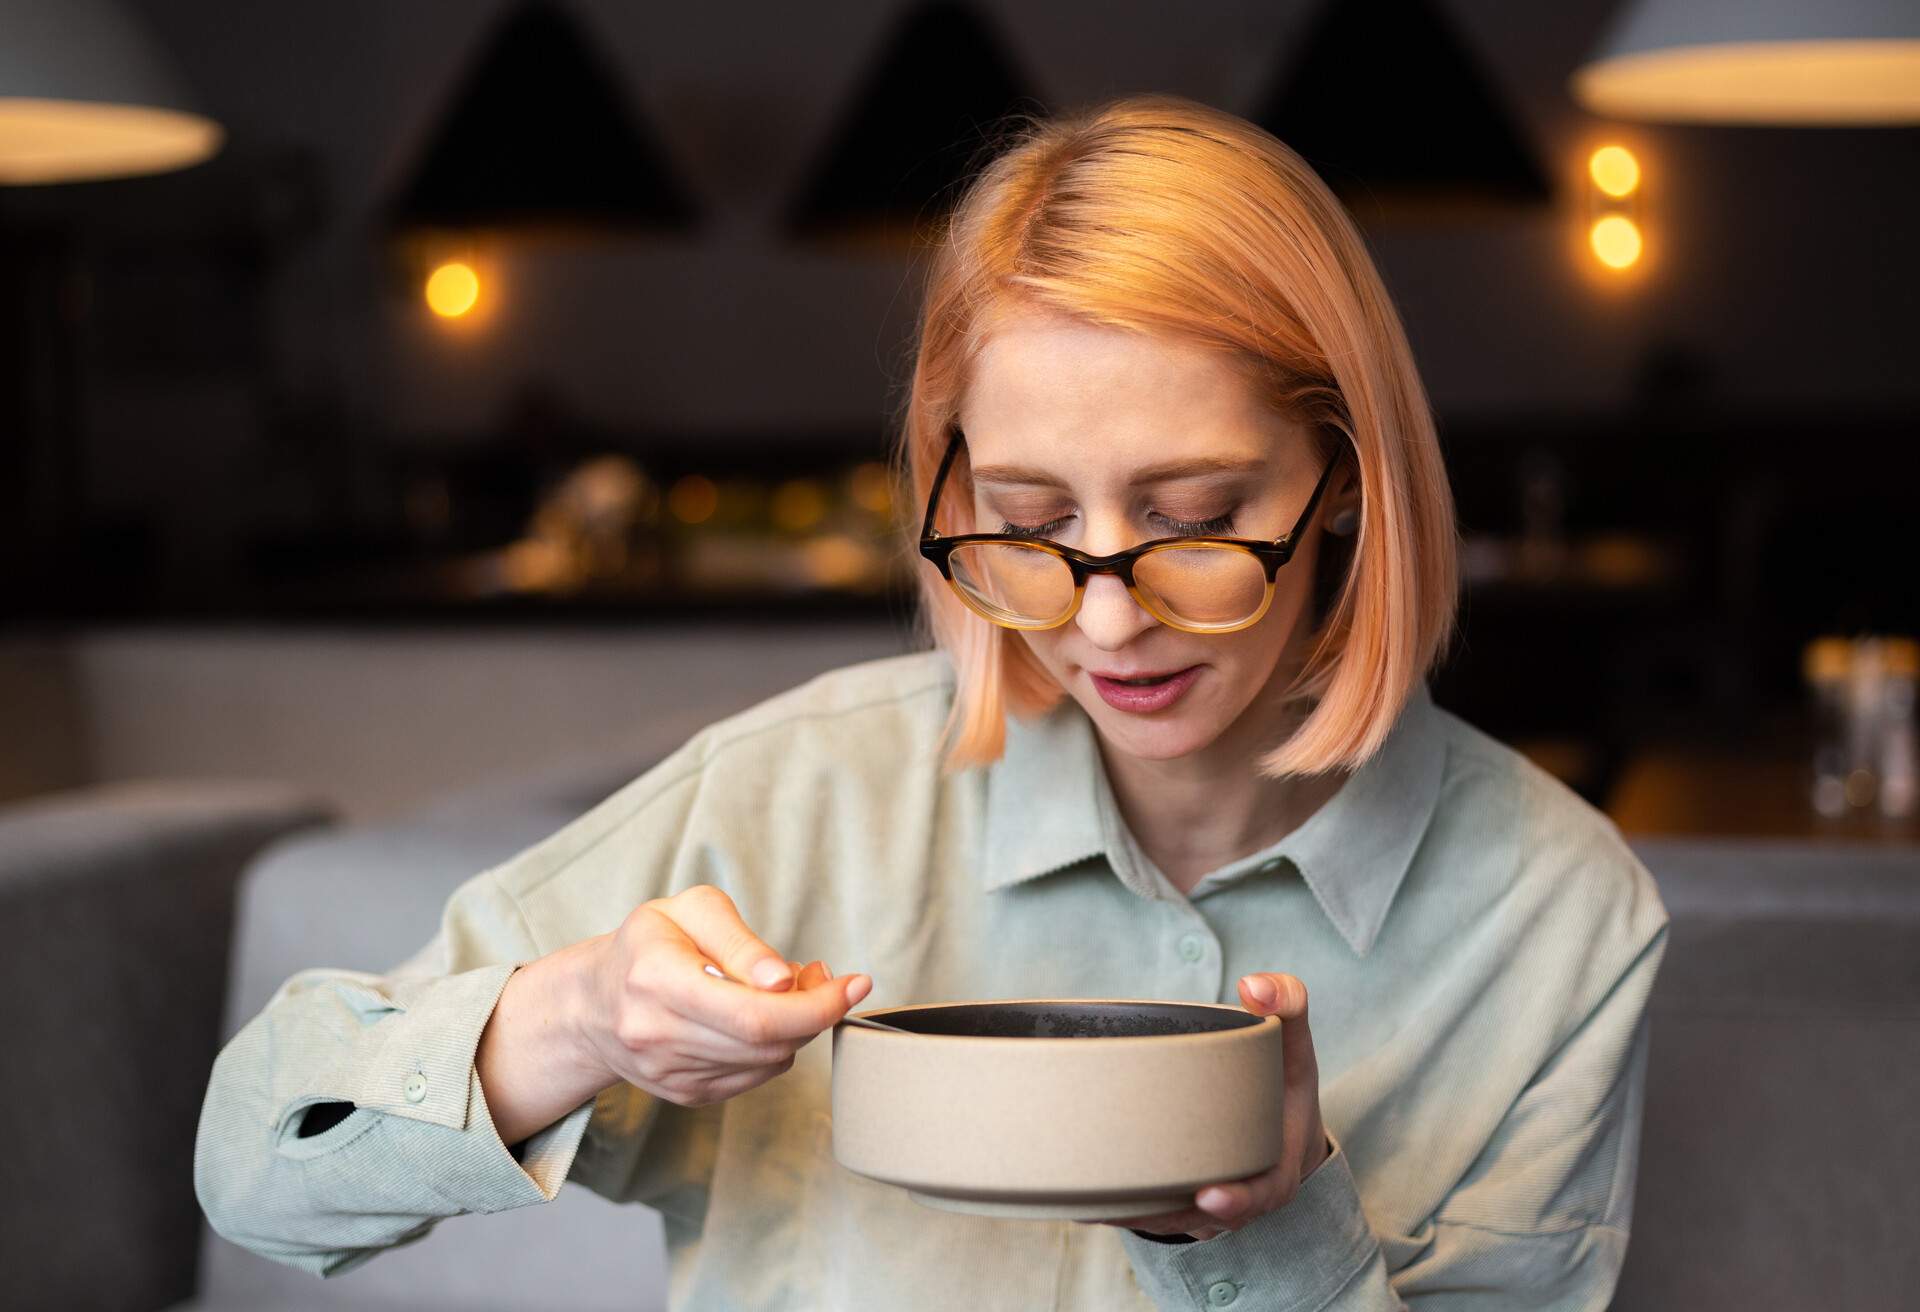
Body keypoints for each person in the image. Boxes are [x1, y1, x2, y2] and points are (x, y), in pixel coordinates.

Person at [194, 94, 1668, 1311]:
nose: (1104, 616)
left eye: (1197, 514)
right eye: (1026, 521)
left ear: (1344, 476)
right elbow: (259, 1165)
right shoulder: (797, 800)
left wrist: (1268, 1232)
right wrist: (570, 1024)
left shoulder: (1552, 918)